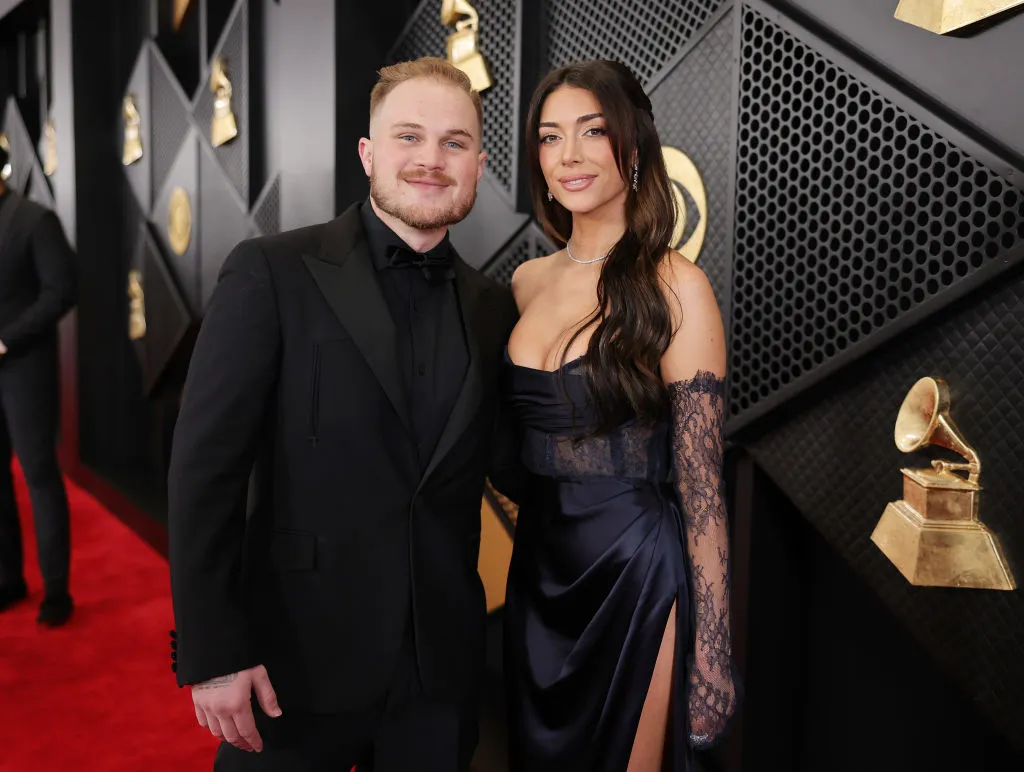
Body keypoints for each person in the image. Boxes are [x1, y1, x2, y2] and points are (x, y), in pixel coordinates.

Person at [167, 57, 518, 771]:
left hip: (439, 674)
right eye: (408, 137)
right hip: (290, 667)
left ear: (480, 165)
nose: (430, 160)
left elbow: (508, 466)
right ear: (367, 153)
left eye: (454, 143)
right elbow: (205, 471)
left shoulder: (494, 308)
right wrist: (212, 652)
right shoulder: (272, 273)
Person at [502, 60, 739, 771]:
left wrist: (715, 649)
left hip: (634, 574)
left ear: (631, 147)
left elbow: (702, 487)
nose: (568, 155)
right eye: (549, 138)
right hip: (538, 576)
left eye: (592, 132)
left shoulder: (675, 284)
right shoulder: (524, 281)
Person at [0, 140, 77, 627]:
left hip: (25, 367)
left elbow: (62, 290)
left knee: (39, 475)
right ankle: (9, 578)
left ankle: (56, 592)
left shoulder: (33, 219)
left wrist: (6, 341)